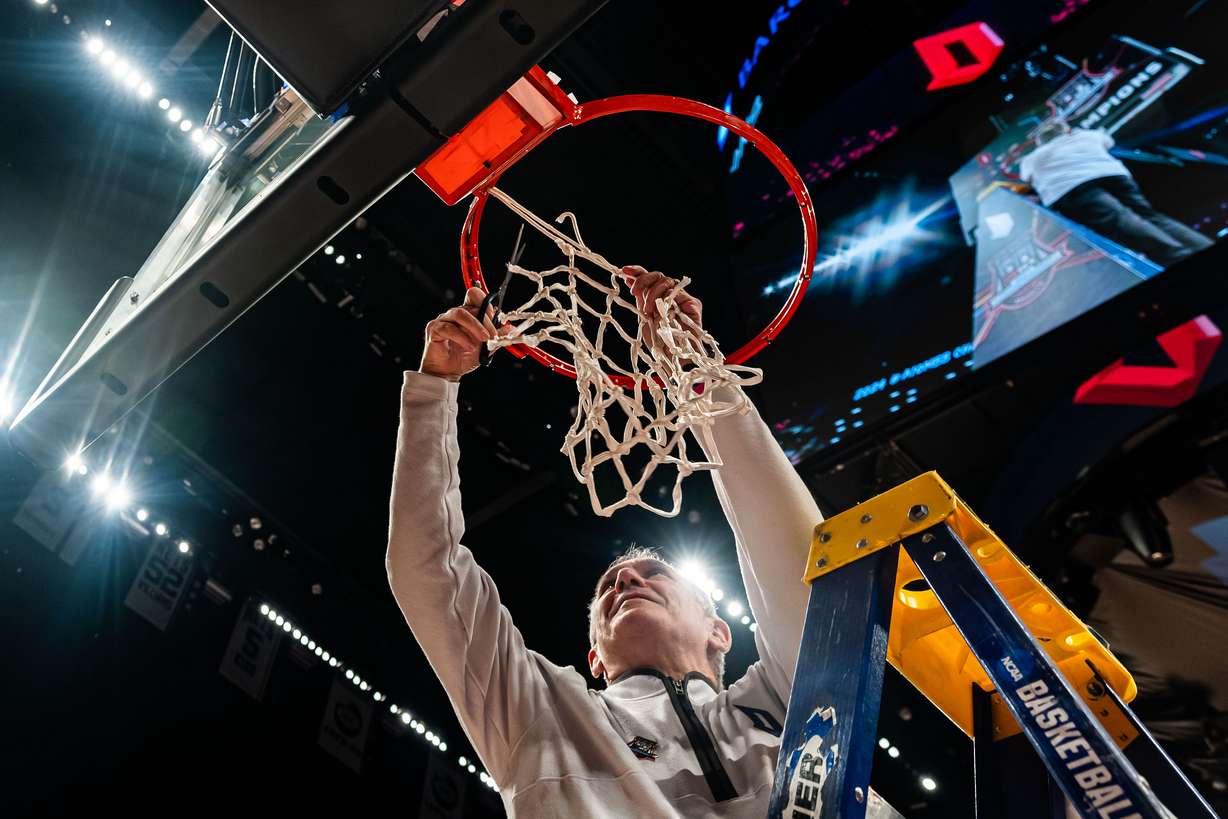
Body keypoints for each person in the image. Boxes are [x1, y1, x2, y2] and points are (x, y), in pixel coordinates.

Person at [385, 267, 821, 816]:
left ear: (720, 631)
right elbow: (427, 572)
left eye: (654, 574)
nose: (626, 579)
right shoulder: (542, 712)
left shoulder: (790, 693)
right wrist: (435, 390)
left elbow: (796, 554)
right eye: (609, 587)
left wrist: (696, 369)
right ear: (594, 656)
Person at [1018, 119, 1212, 266]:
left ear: (1041, 143)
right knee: (1152, 217)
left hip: (1072, 188)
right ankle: (1202, 248)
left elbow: (1026, 178)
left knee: (1122, 219)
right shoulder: (1088, 135)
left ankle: (1180, 258)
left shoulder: (1033, 158)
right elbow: (1108, 142)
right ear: (1066, 131)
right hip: (1114, 176)